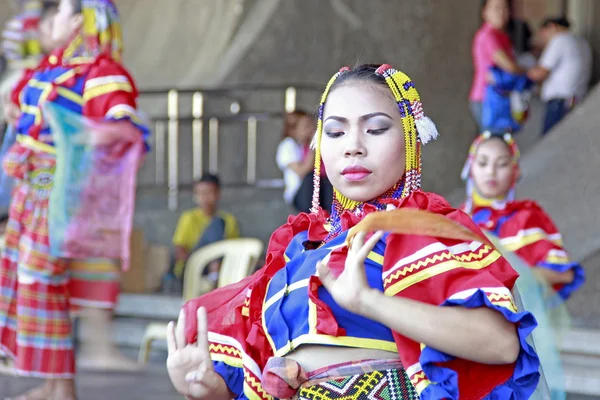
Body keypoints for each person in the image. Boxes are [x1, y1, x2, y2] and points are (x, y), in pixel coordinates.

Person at [166, 64, 540, 400]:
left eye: (375, 128)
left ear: (410, 137)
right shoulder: (299, 247)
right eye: (335, 131)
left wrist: (368, 302)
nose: (353, 147)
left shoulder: (426, 227)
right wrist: (207, 388)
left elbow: (501, 343)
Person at [0, 0, 149, 399]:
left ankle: (63, 391)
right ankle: (52, 386)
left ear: (84, 22)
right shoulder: (50, 69)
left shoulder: (100, 73)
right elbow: (22, 107)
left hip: (59, 195)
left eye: (63, 12)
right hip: (30, 193)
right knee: (36, 287)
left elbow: (126, 124)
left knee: (42, 282)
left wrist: (96, 134)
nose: (53, 19)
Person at [461, 131, 585, 300]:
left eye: (502, 164)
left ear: (516, 171)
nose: (491, 171)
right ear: (471, 168)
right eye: (482, 163)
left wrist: (515, 277)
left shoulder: (526, 217)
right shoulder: (457, 219)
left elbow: (565, 274)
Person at [167, 173, 240, 290]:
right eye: (200, 193)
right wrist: (200, 258)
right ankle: (214, 276)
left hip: (221, 266)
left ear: (218, 194)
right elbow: (179, 251)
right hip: (193, 266)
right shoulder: (189, 218)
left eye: (208, 193)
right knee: (217, 224)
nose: (204, 197)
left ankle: (214, 274)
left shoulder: (229, 220)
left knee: (219, 224)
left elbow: (235, 251)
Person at [527, 17, 592, 135]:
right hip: (577, 101)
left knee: (549, 143)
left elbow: (540, 73)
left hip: (559, 102)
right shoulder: (582, 41)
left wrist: (515, 73)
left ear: (552, 27)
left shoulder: (560, 40)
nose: (544, 39)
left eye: (544, 34)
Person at [470, 0, 524, 130]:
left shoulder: (502, 36)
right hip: (487, 98)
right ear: (485, 12)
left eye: (505, 8)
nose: (502, 13)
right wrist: (529, 72)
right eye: (496, 8)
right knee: (495, 142)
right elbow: (509, 66)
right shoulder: (487, 35)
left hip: (500, 97)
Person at [276, 110, 334, 213]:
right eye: (306, 126)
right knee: (311, 176)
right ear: (294, 130)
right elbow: (302, 171)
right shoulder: (288, 145)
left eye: (312, 124)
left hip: (320, 191)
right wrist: (314, 144)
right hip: (300, 194)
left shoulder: (303, 145)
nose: (311, 129)